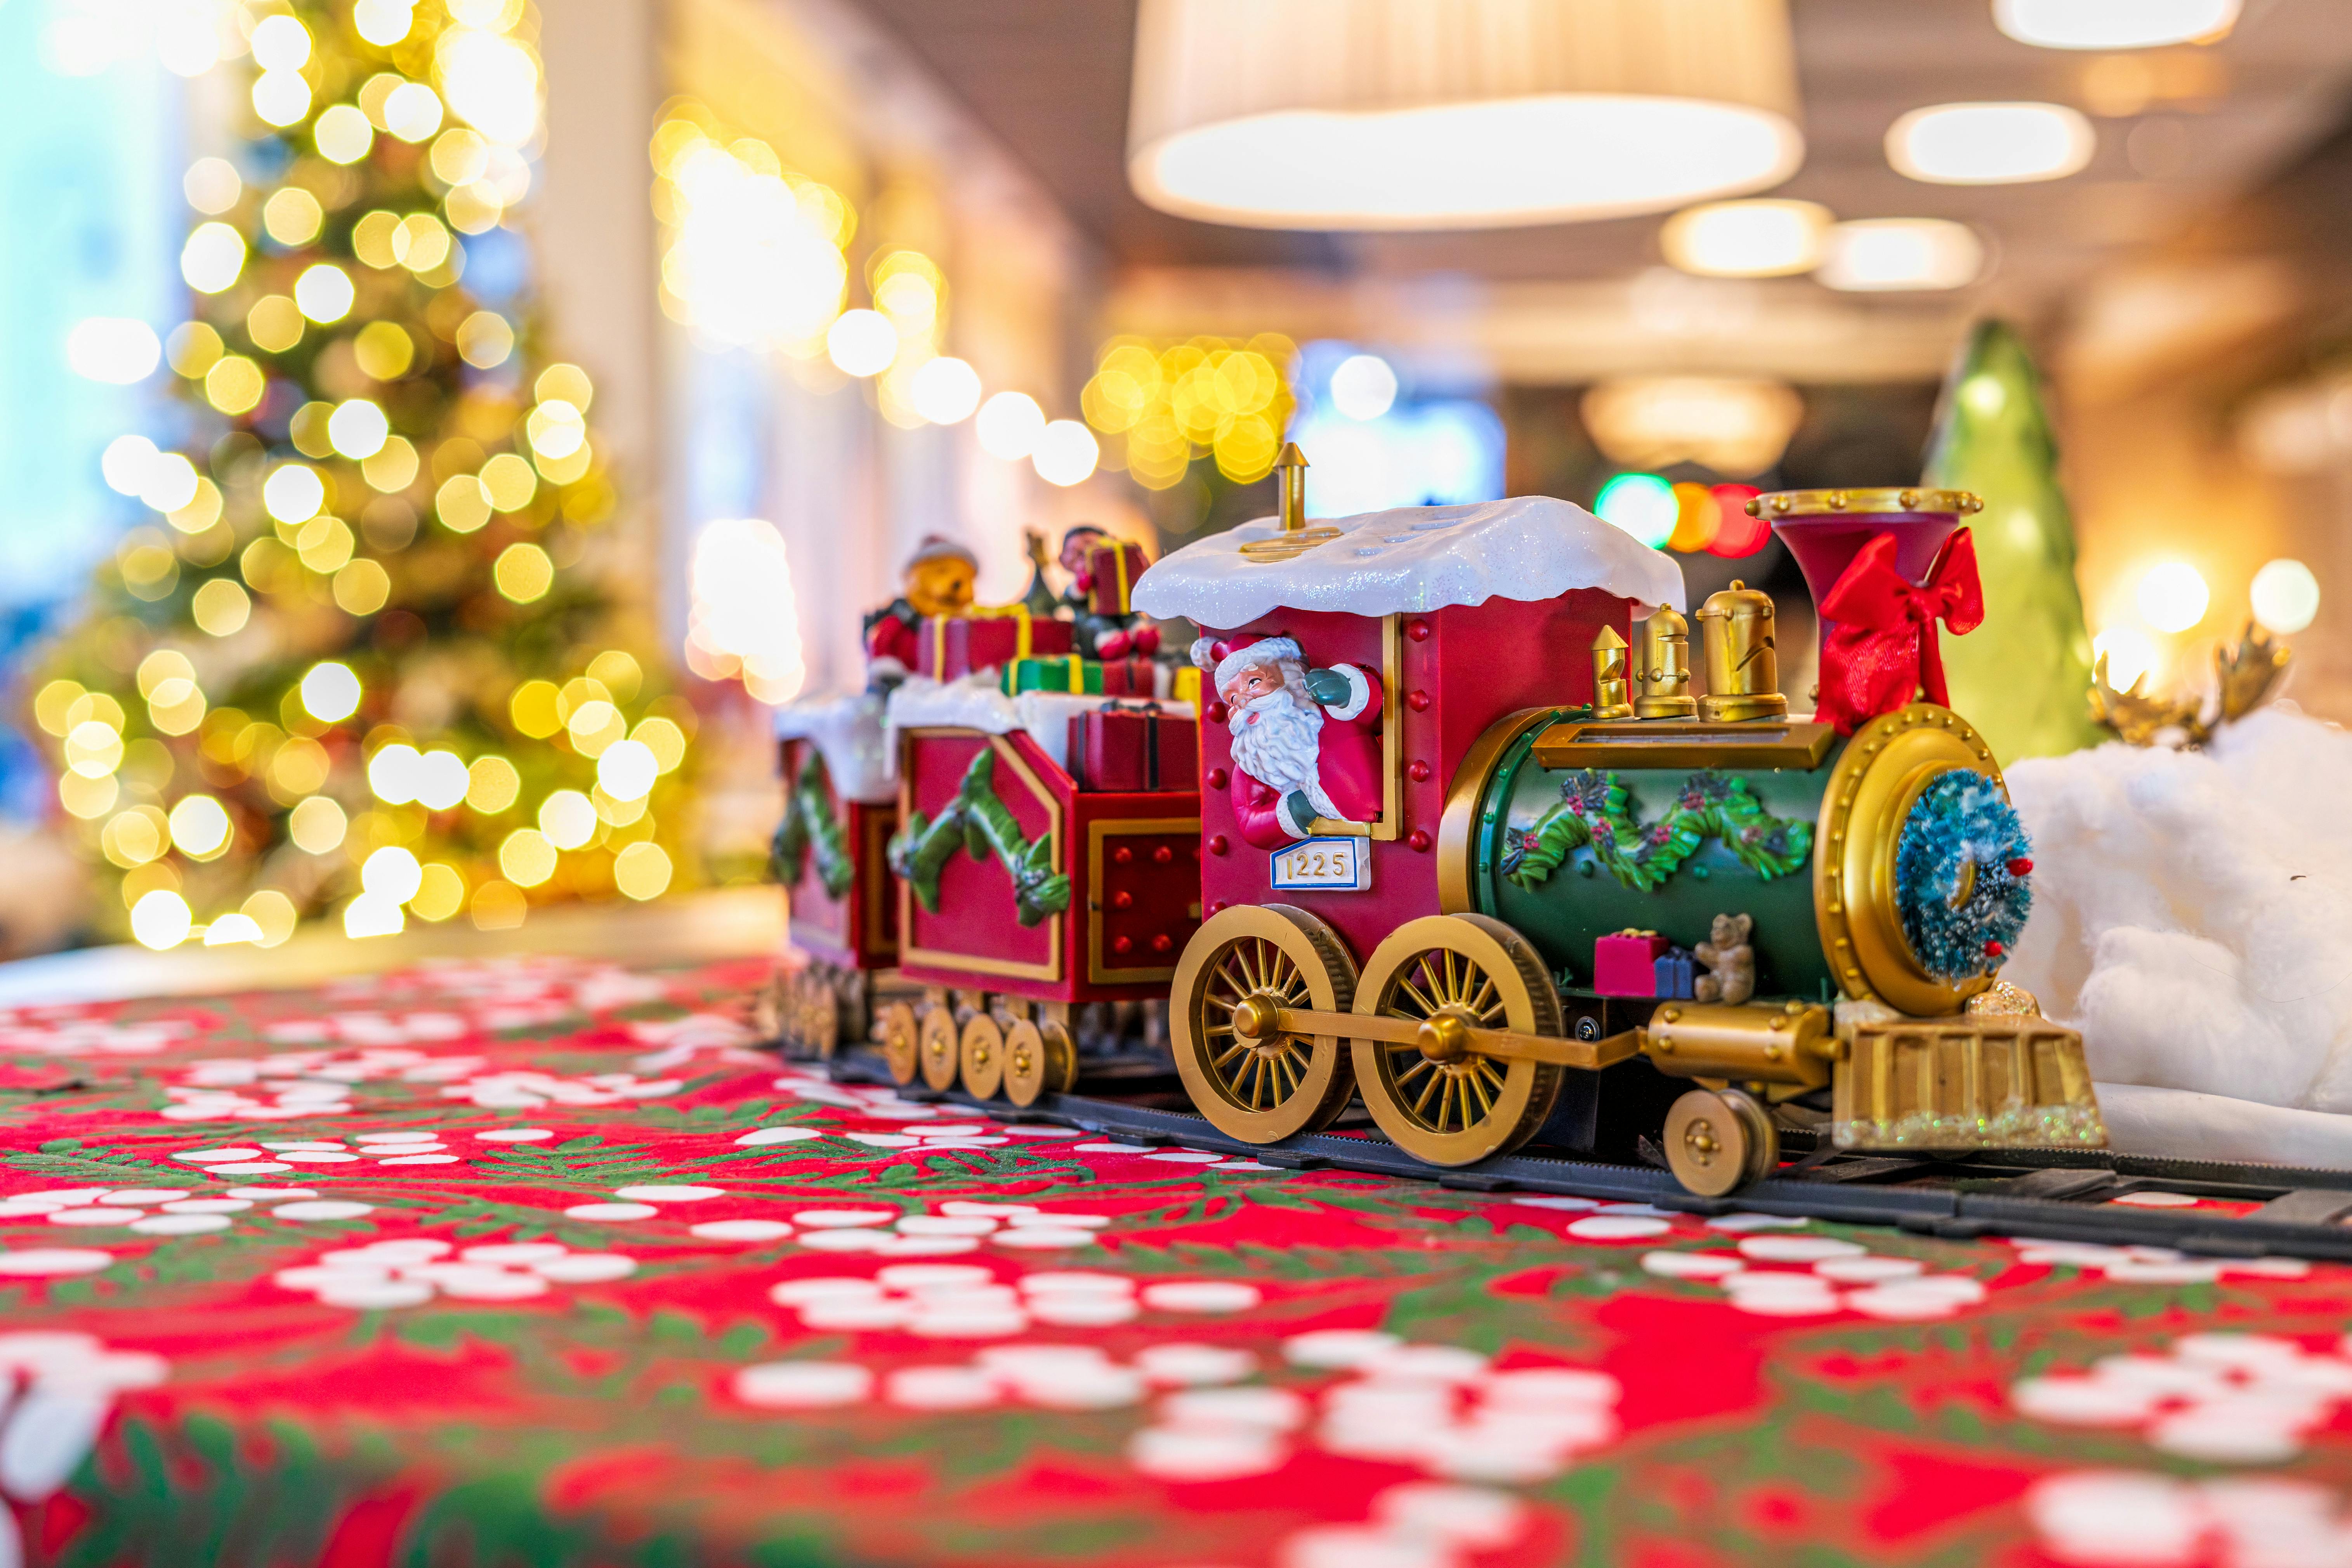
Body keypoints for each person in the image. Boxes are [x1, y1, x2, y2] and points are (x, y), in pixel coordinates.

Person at [1192, 634, 1381, 849]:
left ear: (1290, 676)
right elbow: (1249, 820)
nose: (1244, 701)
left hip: (1374, 819)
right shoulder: (1255, 761)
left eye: (1254, 683)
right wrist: (1292, 810)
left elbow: (1380, 711)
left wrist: (1347, 690)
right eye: (1234, 700)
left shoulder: (1332, 715)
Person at [863, 535, 978, 687]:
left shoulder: (964, 626)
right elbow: (882, 643)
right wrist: (888, 673)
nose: (956, 583)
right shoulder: (902, 618)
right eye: (941, 572)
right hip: (906, 687)